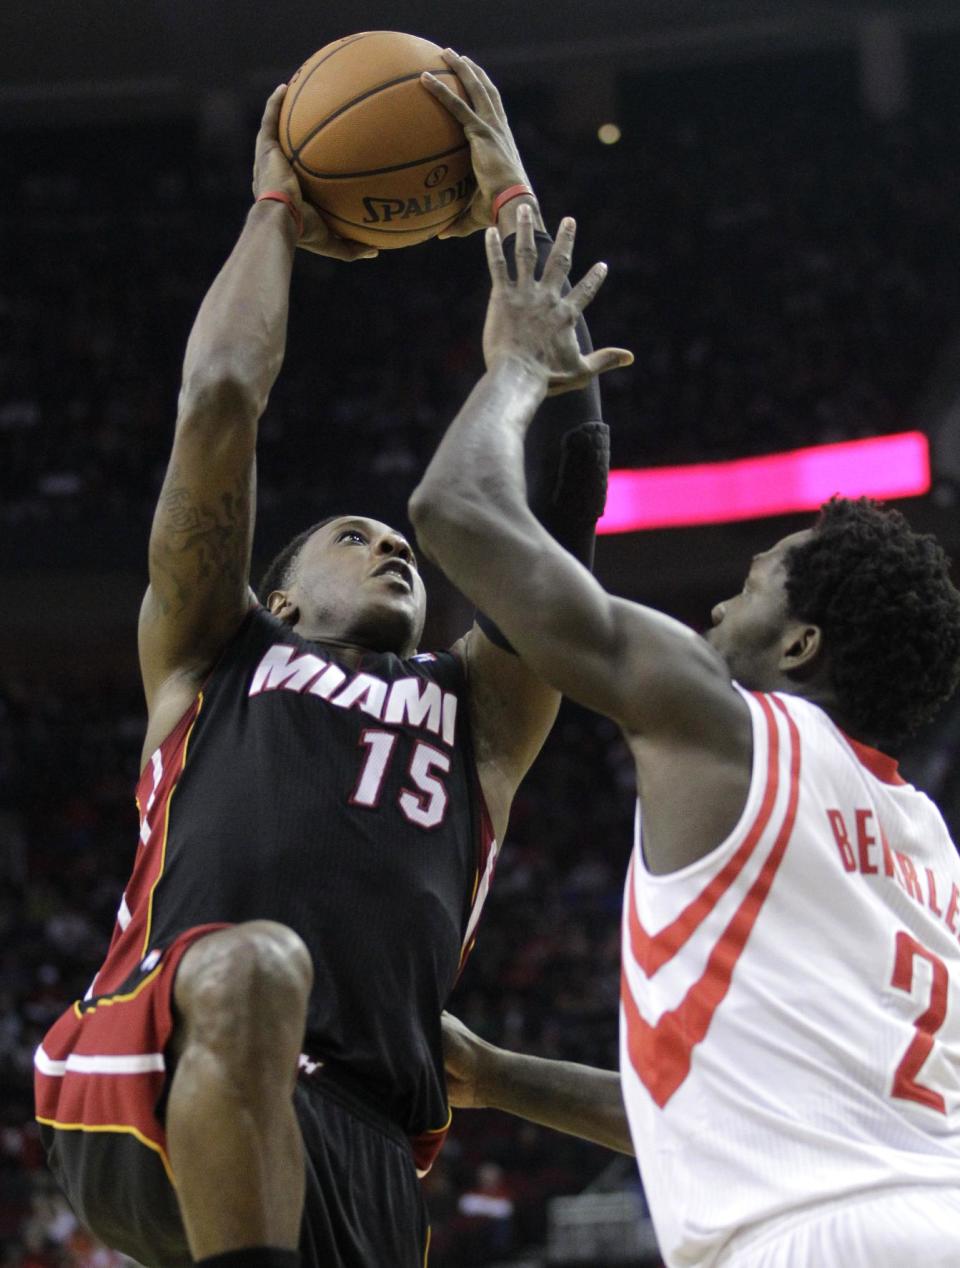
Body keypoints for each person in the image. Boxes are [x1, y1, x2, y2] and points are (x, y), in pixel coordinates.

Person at [32, 55, 610, 1268]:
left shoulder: (481, 714)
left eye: (400, 538)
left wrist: (509, 198)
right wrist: (276, 213)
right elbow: (222, 397)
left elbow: (558, 509)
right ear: (281, 588)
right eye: (357, 535)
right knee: (253, 963)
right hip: (163, 1059)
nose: (394, 543)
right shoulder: (214, 655)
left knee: (273, 984)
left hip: (366, 1141)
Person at [409, 210, 960, 1266]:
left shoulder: (727, 723)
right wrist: (493, 1073)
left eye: (749, 586)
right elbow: (717, 1126)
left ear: (801, 642)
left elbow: (457, 511)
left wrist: (519, 372)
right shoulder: (927, 843)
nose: (716, 607)